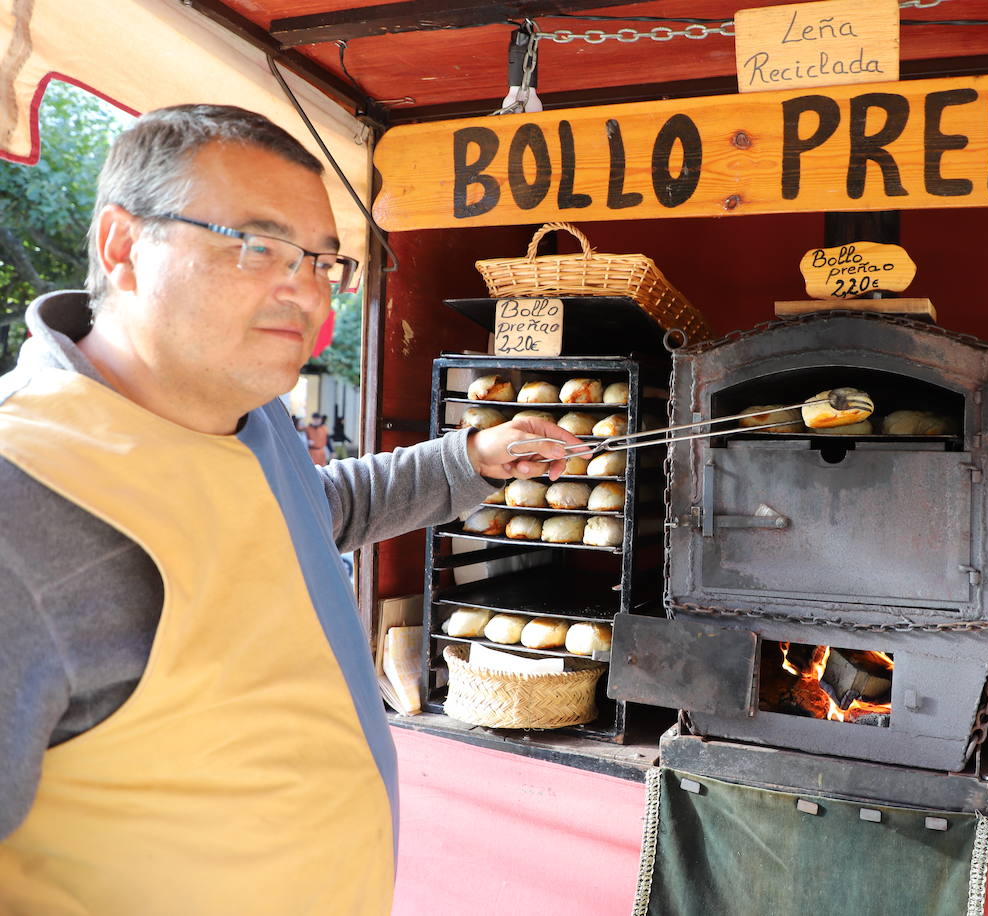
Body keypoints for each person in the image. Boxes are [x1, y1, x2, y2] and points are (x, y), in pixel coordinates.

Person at [0, 104, 580, 914]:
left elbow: (309, 516)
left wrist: (473, 457)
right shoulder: (23, 498)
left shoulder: (253, 418)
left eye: (322, 262)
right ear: (123, 248)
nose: (304, 290)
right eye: (259, 247)